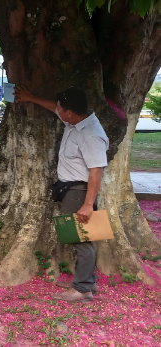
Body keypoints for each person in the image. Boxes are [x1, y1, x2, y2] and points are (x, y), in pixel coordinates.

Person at [15, 85, 109, 303]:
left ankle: (83, 290)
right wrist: (31, 96)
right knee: (82, 237)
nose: (56, 110)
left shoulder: (91, 135)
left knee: (80, 239)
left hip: (79, 192)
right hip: (71, 190)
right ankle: (88, 280)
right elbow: (53, 108)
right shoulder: (75, 120)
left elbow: (96, 171)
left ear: (69, 112)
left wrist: (87, 204)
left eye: (60, 108)